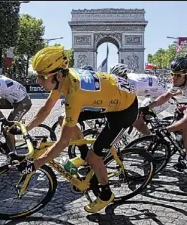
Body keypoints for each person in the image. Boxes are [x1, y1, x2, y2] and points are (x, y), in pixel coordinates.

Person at [11, 46, 138, 213]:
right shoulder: (64, 78)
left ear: (58, 75)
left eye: (42, 77)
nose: (38, 81)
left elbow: (63, 142)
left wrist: (35, 164)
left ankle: (106, 194)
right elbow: (46, 109)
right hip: (109, 98)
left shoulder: (74, 93)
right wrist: (25, 128)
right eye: (37, 76)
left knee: (95, 157)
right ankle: (84, 152)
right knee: (64, 118)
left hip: (124, 110)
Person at [109, 63, 170, 135]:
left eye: (116, 79)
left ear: (122, 76)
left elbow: (128, 104)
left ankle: (152, 139)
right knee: (141, 112)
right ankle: (145, 133)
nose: (115, 81)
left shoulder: (133, 85)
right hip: (157, 90)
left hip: (163, 98)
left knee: (136, 122)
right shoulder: (129, 77)